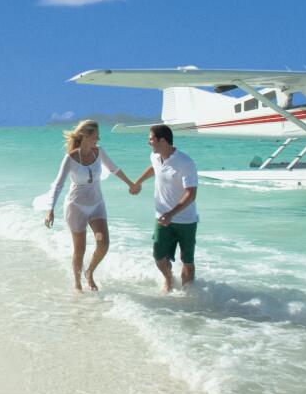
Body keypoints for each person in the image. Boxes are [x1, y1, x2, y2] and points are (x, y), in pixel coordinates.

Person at [44, 119, 140, 292]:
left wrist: (130, 184)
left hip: (96, 205)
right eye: (95, 136)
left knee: (103, 243)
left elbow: (114, 169)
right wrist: (50, 210)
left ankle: (89, 272)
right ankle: (77, 284)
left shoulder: (99, 152)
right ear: (86, 136)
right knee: (79, 249)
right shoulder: (70, 158)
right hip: (76, 207)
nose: (98, 139)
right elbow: (58, 185)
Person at [133, 125, 199, 293]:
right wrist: (138, 182)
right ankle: (169, 279)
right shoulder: (155, 157)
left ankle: (187, 294)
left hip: (186, 220)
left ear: (162, 140)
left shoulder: (185, 162)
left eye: (151, 139)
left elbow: (191, 194)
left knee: (187, 261)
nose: (149, 142)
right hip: (162, 218)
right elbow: (154, 169)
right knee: (158, 256)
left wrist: (172, 213)